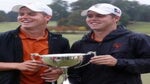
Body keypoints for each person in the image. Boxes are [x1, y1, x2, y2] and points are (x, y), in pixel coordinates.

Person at [68, 3, 150, 84]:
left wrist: (117, 62)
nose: (93, 19)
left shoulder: (136, 39)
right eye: (90, 16)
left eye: (100, 15)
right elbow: (73, 73)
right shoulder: (79, 44)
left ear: (116, 18)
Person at [0, 1, 70, 84]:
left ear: (47, 17)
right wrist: (17, 66)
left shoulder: (61, 41)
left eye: (31, 14)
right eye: (21, 14)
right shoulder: (3, 38)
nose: (24, 17)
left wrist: (58, 71)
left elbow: (67, 65)